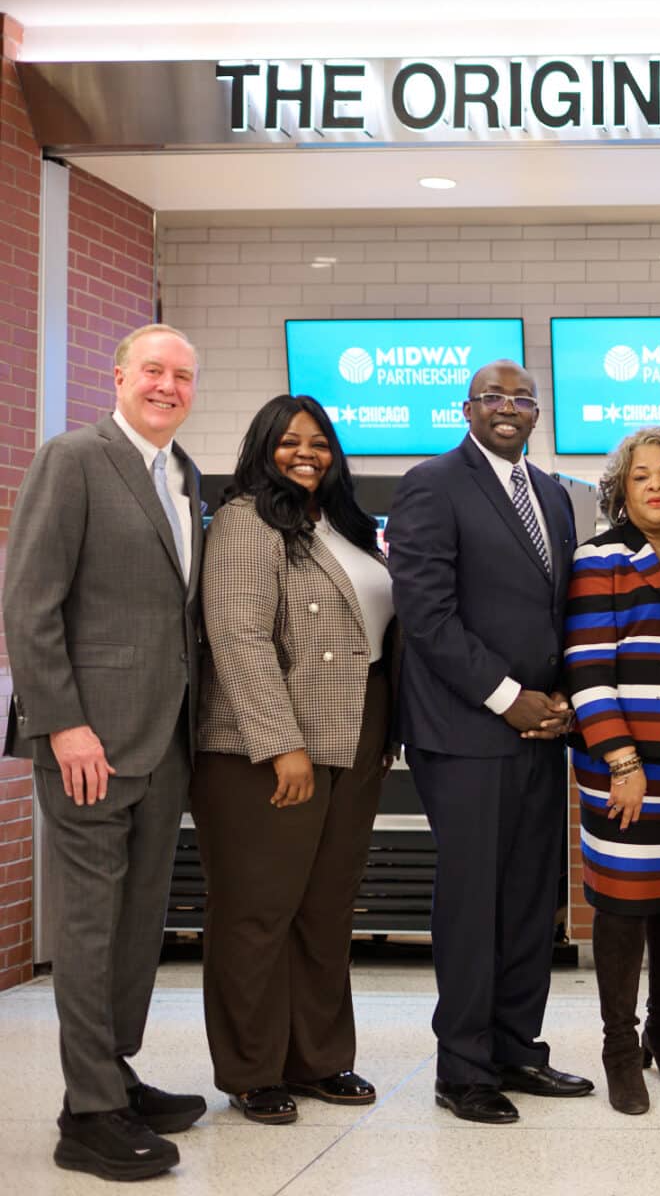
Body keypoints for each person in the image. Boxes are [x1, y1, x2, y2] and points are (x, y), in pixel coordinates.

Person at [3, 324, 209, 1181]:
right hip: (89, 737)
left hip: (164, 738)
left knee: (136, 924)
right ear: (119, 375)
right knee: (89, 930)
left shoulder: (184, 476)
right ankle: (87, 1115)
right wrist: (63, 722)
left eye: (182, 376)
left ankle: (112, 1074)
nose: (167, 386)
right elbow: (30, 601)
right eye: (153, 371)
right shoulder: (74, 458)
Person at [387, 360, 591, 1125]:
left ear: (538, 412)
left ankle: (516, 1049)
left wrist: (565, 698)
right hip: (469, 730)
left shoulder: (552, 495)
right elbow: (427, 613)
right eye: (493, 397)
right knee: (474, 904)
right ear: (467, 407)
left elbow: (556, 608)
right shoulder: (432, 484)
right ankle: (464, 1068)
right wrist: (509, 699)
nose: (508, 408)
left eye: (522, 399)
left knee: (531, 900)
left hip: (543, 730)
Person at [191, 395, 397, 1125]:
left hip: (358, 733)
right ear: (261, 447)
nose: (304, 453)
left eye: (318, 442)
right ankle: (251, 1070)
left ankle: (317, 1059)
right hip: (267, 741)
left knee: (324, 909)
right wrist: (282, 745)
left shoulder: (343, 526)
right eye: (288, 441)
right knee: (256, 909)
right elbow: (238, 637)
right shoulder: (247, 519)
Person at [564, 427, 660, 1115]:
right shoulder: (601, 556)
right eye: (640, 476)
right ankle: (619, 1050)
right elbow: (587, 666)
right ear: (620, 490)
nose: (656, 486)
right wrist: (621, 758)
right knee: (623, 904)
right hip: (622, 760)